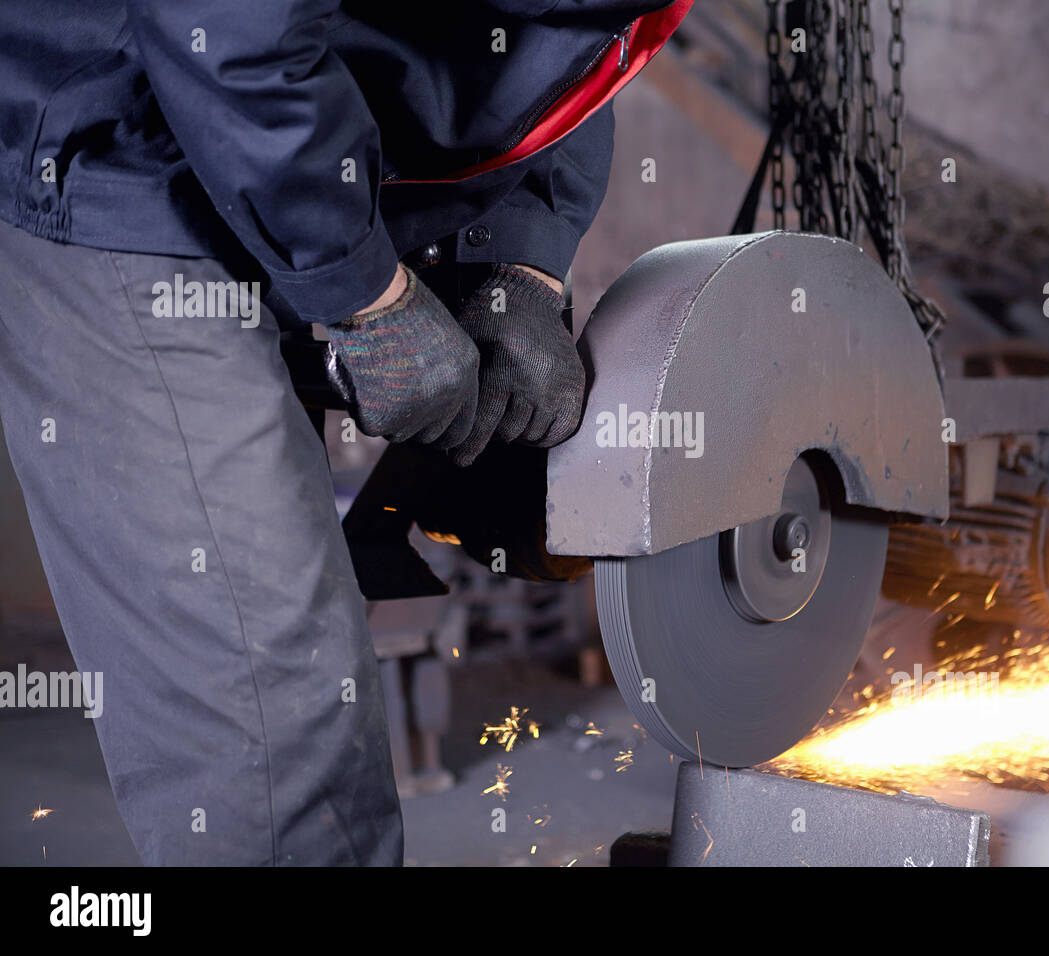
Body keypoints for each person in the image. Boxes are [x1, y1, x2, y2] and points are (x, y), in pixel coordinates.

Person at [0, 0, 691, 865]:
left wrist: (520, 257)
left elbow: (576, 33)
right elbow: (224, 31)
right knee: (279, 732)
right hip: (118, 155)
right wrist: (371, 297)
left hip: (285, 114)